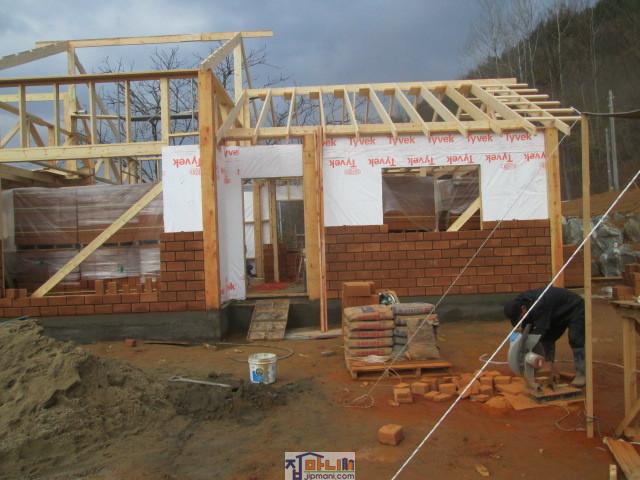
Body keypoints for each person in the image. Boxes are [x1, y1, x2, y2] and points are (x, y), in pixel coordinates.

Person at [503, 286, 585, 388]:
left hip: (574, 308)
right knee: (547, 338)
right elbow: (525, 327)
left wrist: (527, 349)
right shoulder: (520, 303)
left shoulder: (538, 305)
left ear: (523, 308)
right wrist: (520, 340)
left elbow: (539, 332)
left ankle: (581, 373)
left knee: (575, 338)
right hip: (554, 311)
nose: (519, 319)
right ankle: (549, 369)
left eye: (519, 317)